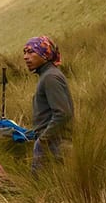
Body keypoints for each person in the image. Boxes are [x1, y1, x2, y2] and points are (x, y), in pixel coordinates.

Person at [23, 36, 74, 172]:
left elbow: (63, 114)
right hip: (52, 143)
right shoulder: (47, 75)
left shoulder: (50, 77)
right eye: (24, 52)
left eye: (30, 52)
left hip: (55, 145)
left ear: (44, 54)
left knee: (42, 188)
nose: (25, 57)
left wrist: (43, 140)